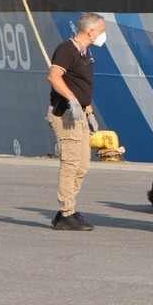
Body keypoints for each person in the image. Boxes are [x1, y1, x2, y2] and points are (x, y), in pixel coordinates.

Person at [47, 12, 106, 231]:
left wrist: (90, 112)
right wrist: (71, 100)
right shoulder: (66, 49)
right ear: (90, 30)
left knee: (82, 165)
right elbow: (54, 76)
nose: (103, 34)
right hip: (65, 114)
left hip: (80, 114)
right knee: (70, 165)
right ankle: (66, 213)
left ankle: (66, 210)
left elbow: (80, 86)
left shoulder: (85, 53)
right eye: (102, 30)